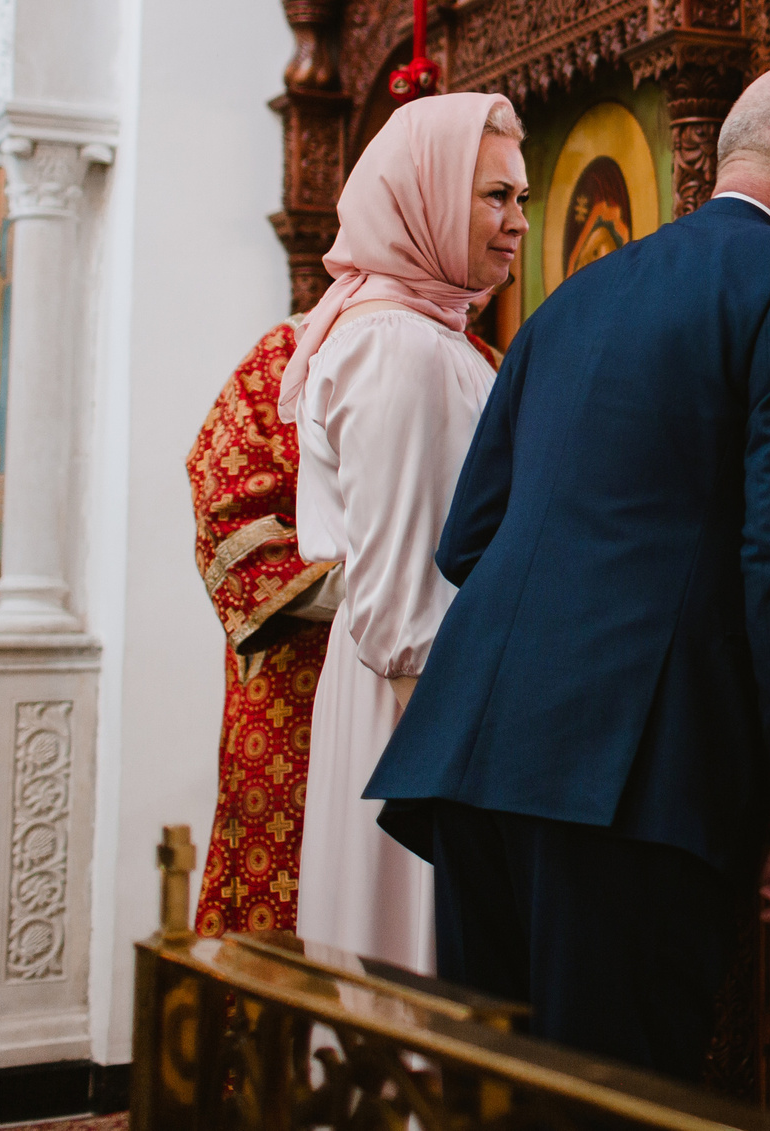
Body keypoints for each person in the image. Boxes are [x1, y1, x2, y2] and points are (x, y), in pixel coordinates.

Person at [369, 65, 770, 1077]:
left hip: (477, 753)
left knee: (498, 1094)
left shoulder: (575, 296)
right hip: (631, 774)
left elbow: (469, 537)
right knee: (618, 1096)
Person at [281, 92, 529, 969]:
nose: (517, 225)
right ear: (423, 195)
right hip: (417, 715)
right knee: (416, 967)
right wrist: (447, 790)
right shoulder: (397, 344)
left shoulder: (423, 332)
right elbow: (400, 586)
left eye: (523, 200)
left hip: (422, 700)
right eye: (495, 196)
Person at [184, 317, 327, 934]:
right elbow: (228, 507)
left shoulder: (489, 358)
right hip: (298, 689)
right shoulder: (292, 353)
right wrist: (385, 587)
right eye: (490, 208)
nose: (515, 225)